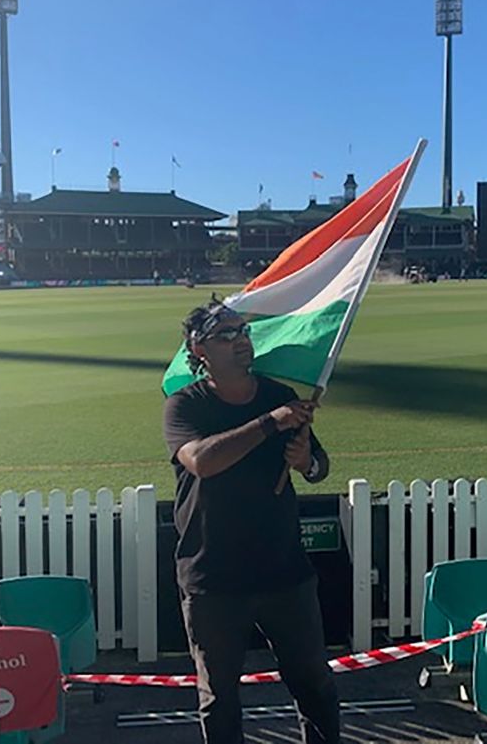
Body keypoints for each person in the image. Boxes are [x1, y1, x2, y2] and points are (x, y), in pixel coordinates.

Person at [163, 298, 340, 744]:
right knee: (219, 698)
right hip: (213, 575)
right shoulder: (185, 406)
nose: (241, 341)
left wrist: (307, 463)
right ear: (199, 348)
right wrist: (267, 424)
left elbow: (319, 464)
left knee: (313, 684)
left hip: (284, 570)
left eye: (243, 332)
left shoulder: (280, 396)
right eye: (226, 334)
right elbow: (201, 460)